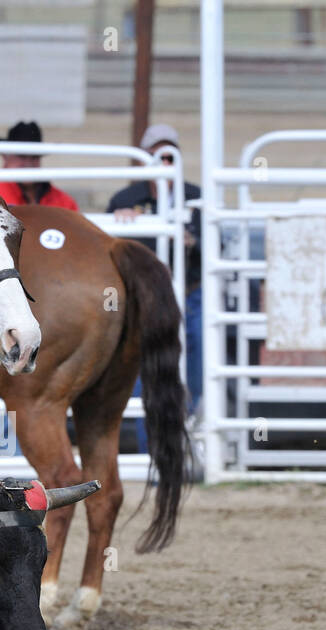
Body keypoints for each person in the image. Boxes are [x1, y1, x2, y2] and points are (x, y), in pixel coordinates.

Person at [107, 123, 202, 414]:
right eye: (156, 156)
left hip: (188, 291)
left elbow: (213, 248)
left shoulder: (195, 196)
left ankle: (190, 408)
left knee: (197, 339)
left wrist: (193, 242)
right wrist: (120, 223)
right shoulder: (125, 200)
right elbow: (110, 248)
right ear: (145, 160)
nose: (163, 163)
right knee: (139, 353)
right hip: (143, 295)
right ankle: (146, 424)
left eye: (169, 157)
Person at [0, 121, 78, 210]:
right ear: (5, 157)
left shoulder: (64, 202)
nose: (29, 163)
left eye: (35, 157)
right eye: (22, 156)